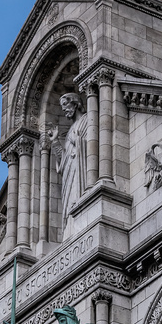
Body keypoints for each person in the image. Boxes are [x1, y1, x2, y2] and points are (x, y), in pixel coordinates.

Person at [50, 93, 87, 232]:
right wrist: (55, 141)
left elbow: (92, 147)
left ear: (75, 103)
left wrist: (77, 141)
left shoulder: (87, 120)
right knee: (69, 203)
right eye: (62, 107)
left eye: (65, 105)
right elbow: (63, 161)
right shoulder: (71, 129)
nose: (64, 109)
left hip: (81, 170)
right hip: (69, 173)